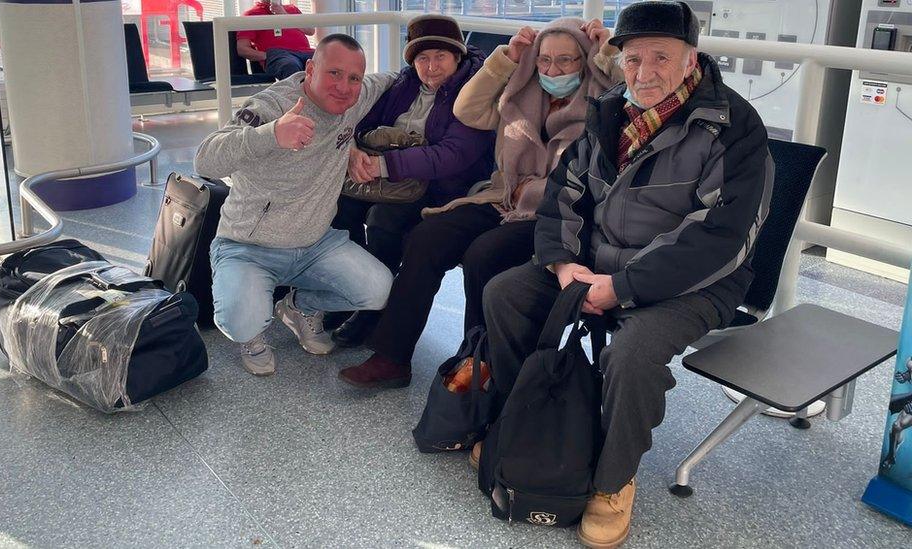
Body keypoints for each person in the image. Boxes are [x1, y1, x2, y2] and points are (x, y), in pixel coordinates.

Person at [479, 2, 774, 547]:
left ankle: (613, 481)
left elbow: (721, 237)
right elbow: (563, 201)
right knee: (505, 295)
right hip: (593, 265)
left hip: (694, 284)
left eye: (661, 56)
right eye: (632, 58)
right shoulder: (608, 112)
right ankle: (518, 422)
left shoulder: (734, 129)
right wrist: (565, 266)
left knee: (631, 353)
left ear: (692, 60)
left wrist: (623, 287)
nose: (643, 72)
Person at [337, 17, 620, 388]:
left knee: (482, 254)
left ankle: (476, 361)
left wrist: (610, 53)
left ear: (584, 61)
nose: (553, 69)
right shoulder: (522, 93)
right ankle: (392, 356)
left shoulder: (601, 102)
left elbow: (630, 94)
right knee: (429, 237)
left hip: (556, 214)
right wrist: (507, 59)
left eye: (566, 60)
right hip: (502, 197)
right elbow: (467, 110)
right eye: (545, 60)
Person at [193, 34, 397, 377]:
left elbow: (401, 74)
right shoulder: (272, 106)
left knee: (378, 290)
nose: (344, 87)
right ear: (310, 69)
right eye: (333, 73)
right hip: (248, 246)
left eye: (354, 78)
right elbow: (205, 161)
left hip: (315, 243)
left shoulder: (355, 99)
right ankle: (252, 336)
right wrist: (271, 134)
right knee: (240, 323)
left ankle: (299, 308)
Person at [329, 14, 495, 344]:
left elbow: (453, 155)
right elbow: (361, 122)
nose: (431, 67)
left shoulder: (474, 90)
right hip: (391, 174)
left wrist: (383, 165)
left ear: (457, 56)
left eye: (440, 57)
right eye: (422, 58)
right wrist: (355, 153)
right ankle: (347, 292)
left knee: (383, 220)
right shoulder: (405, 84)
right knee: (338, 207)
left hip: (441, 185)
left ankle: (374, 309)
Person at [236, 0, 316, 80]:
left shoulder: (292, 9)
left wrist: (284, 15)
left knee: (324, 62)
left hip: (306, 52)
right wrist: (268, 56)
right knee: (290, 65)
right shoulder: (251, 14)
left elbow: (310, 30)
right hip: (280, 55)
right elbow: (242, 49)